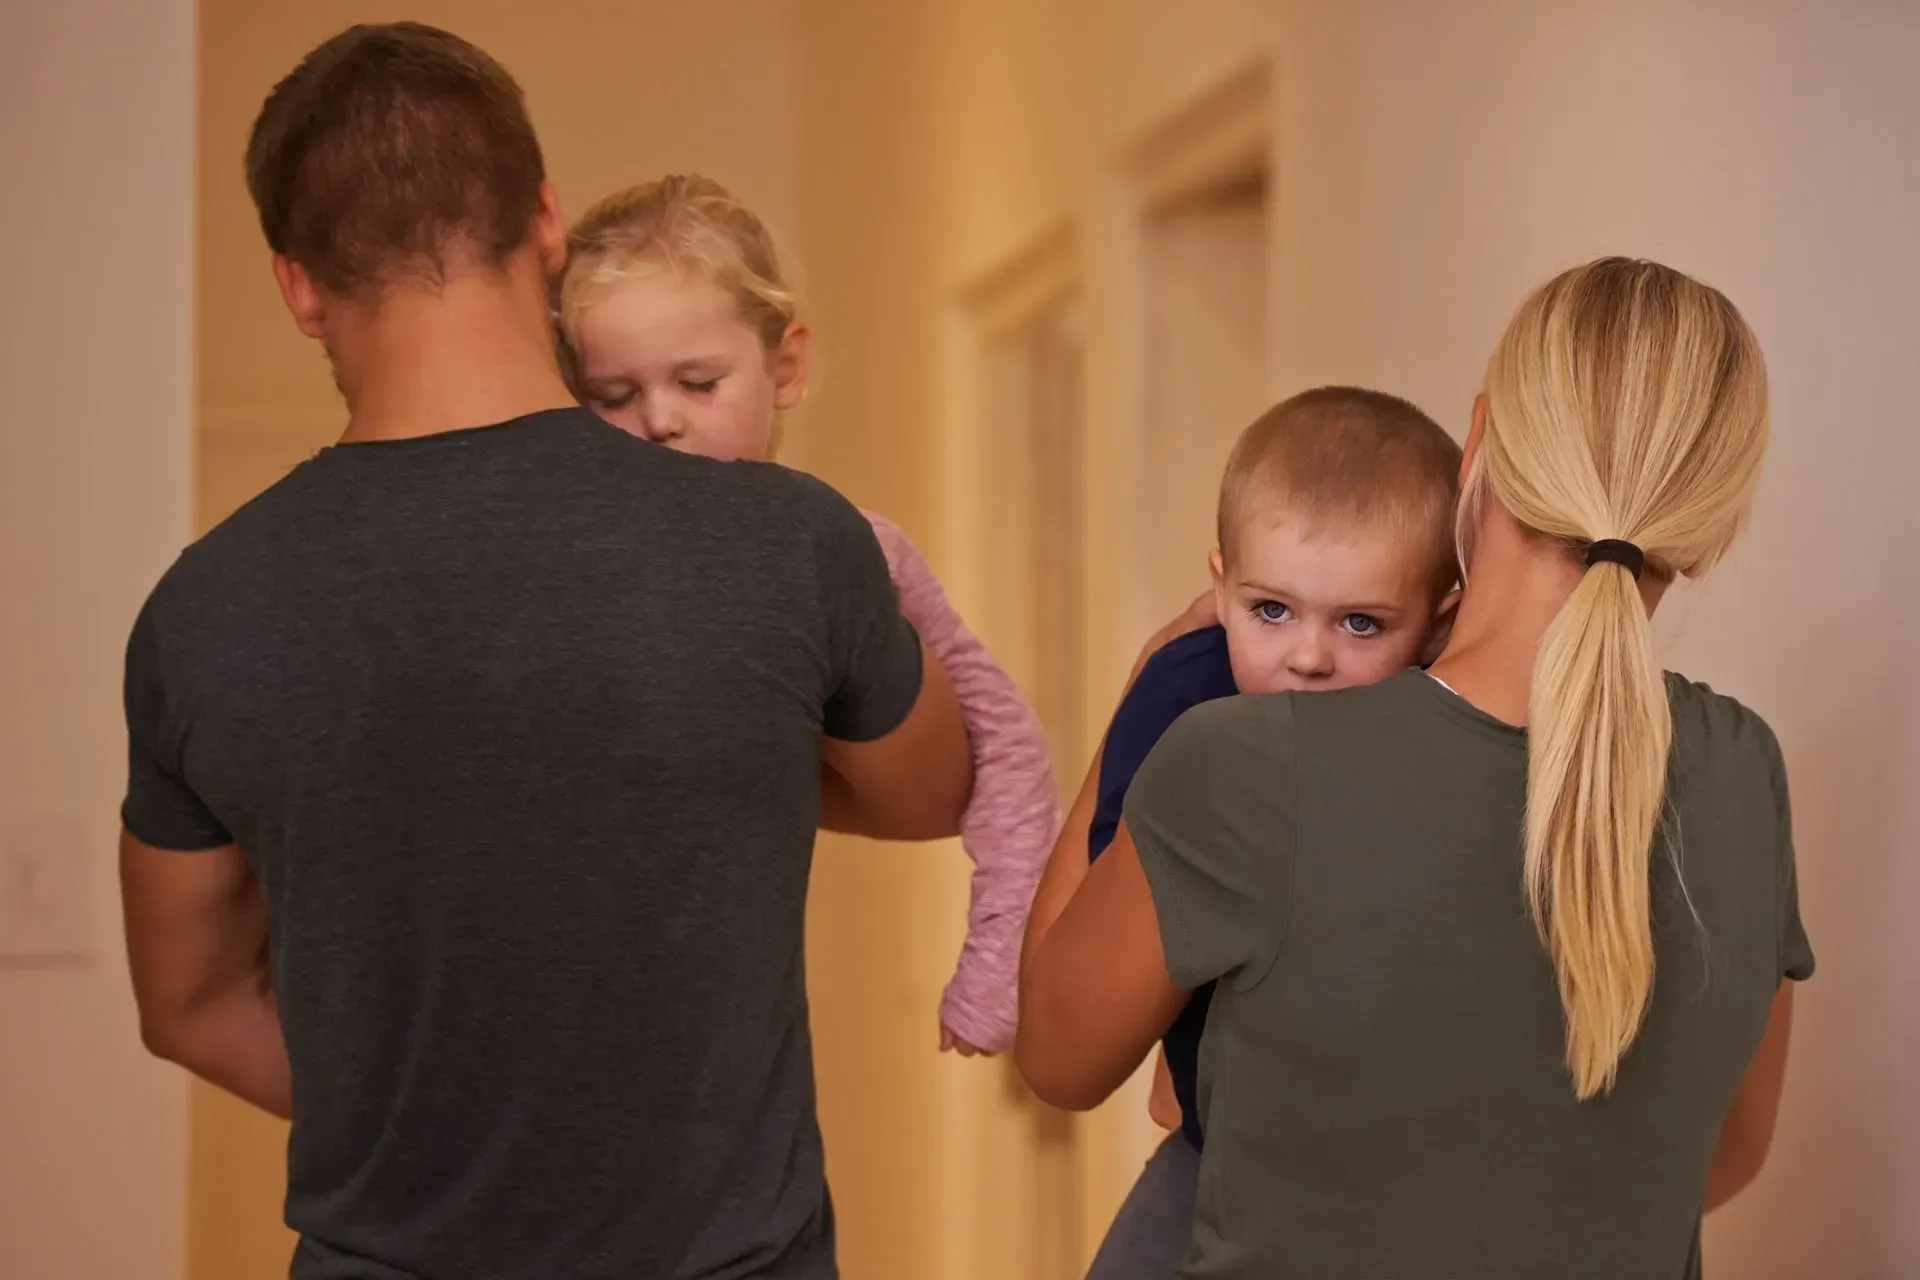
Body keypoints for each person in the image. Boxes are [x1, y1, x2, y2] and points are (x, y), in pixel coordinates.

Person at [117, 23, 973, 1280]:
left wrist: (430, 1123)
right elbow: (931, 788)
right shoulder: (785, 544)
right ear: (549, 224)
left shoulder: (203, 610)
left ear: (297, 285)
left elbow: (187, 1002)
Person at [1019, 257, 1810, 1279]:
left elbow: (1054, 1051)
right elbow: (1723, 1152)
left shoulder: (1247, 763)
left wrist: (1141, 698)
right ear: (1717, 527)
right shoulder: (1747, 774)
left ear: (1480, 443)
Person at [556, 174, 1059, 1057]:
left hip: (719, 1027)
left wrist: (995, 969)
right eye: (614, 396)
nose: (661, 421)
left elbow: (1007, 749)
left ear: (784, 366)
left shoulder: (855, 550)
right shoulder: (553, 551)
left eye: (699, 381)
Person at [1068, 386, 1464, 1279]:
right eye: (1270, 610)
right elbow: (1117, 907)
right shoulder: (1185, 694)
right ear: (1219, 585)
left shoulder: (1444, 733)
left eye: (1361, 622)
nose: (1309, 657)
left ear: (1441, 624)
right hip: (1219, 1154)